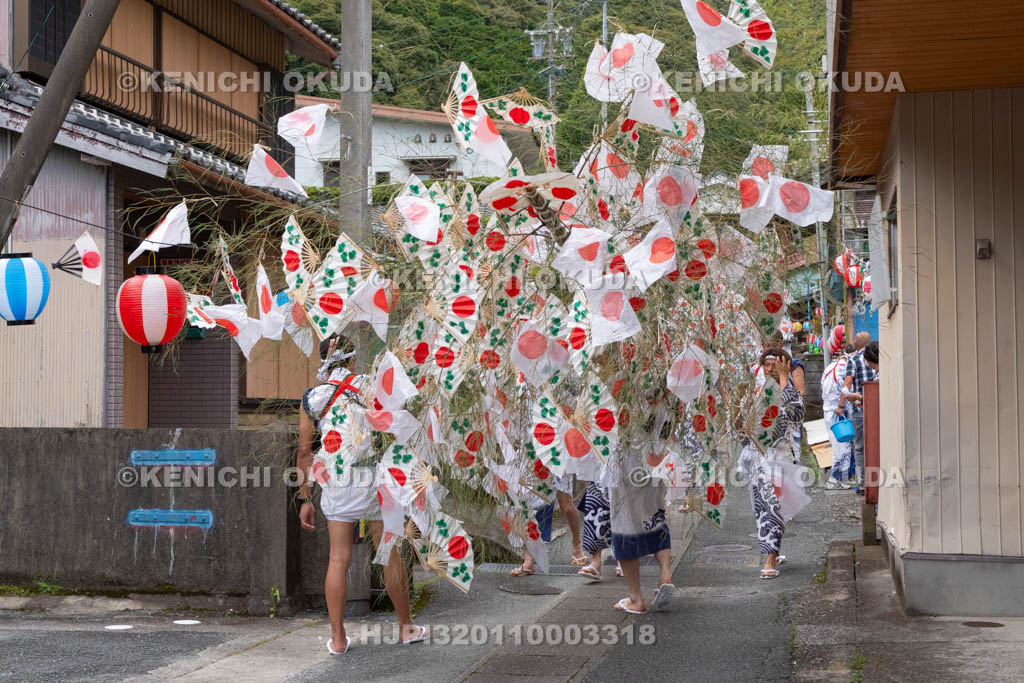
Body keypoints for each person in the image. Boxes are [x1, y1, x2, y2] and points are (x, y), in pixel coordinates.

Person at [296, 336, 425, 654]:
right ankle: (406, 628)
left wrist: (304, 498)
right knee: (389, 553)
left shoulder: (313, 398)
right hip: (372, 481)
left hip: (335, 483)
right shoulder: (369, 386)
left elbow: (303, 453)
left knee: (337, 559)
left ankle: (338, 640)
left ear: (324, 361)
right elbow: (395, 424)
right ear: (351, 361)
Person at [738, 348, 807, 579]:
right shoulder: (755, 392)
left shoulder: (790, 392)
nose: (770, 369)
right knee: (761, 508)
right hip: (759, 457)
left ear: (785, 366)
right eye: (766, 364)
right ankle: (773, 553)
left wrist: (785, 378)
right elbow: (741, 423)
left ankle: (769, 560)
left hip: (779, 458)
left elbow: (796, 415)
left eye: (775, 364)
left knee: (774, 506)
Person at [608, 406, 675, 614]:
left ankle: (636, 599)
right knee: (656, 518)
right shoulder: (671, 384)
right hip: (658, 457)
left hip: (628, 461)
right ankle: (665, 574)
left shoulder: (626, 385)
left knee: (624, 525)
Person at [837, 338, 879, 494]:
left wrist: (841, 405)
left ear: (857, 345)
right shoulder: (881, 356)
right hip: (878, 409)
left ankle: (863, 485)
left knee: (860, 447)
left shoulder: (853, 359)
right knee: (877, 445)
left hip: (860, 409)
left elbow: (847, 382)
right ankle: (876, 481)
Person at [821, 348, 853, 490]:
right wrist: (844, 408)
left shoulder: (830, 367)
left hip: (828, 409)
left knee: (836, 445)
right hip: (838, 411)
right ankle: (839, 479)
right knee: (844, 445)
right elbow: (844, 391)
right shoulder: (844, 369)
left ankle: (836, 479)